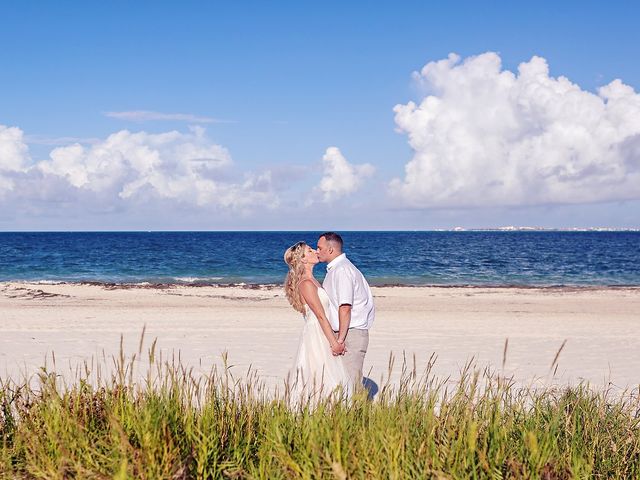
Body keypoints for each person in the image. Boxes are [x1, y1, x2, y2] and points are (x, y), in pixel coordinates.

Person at [284, 241, 352, 405]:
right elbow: (320, 316)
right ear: (303, 259)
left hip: (321, 331)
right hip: (317, 333)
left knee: (329, 377)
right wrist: (334, 342)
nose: (315, 251)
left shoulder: (312, 280)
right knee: (322, 375)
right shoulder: (306, 283)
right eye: (310, 250)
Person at [317, 232, 374, 388]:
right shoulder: (336, 269)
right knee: (341, 384)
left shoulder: (342, 270)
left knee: (350, 385)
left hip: (350, 333)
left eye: (319, 247)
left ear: (330, 250)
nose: (317, 251)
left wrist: (340, 340)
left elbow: (345, 307)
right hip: (346, 331)